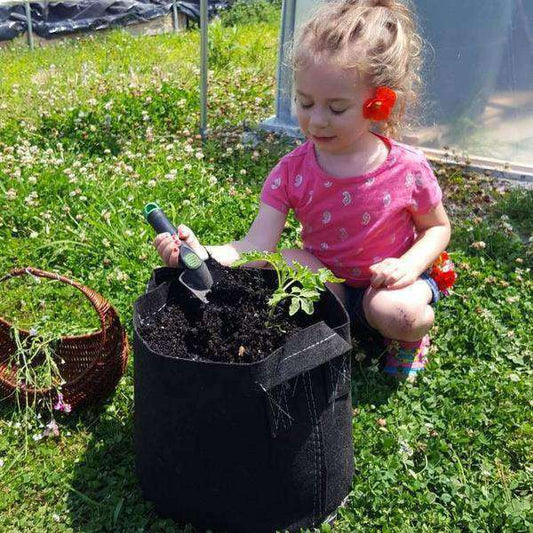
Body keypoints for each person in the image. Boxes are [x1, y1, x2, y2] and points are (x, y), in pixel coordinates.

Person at [153, 0, 454, 380]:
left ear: (378, 103)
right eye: (305, 102)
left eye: (337, 108)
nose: (316, 120)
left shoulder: (407, 168)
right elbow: (257, 247)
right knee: (289, 260)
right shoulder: (292, 171)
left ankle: (410, 340)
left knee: (399, 315)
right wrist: (202, 253)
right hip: (332, 283)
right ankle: (343, 322)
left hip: (393, 286)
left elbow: (437, 228)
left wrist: (409, 266)